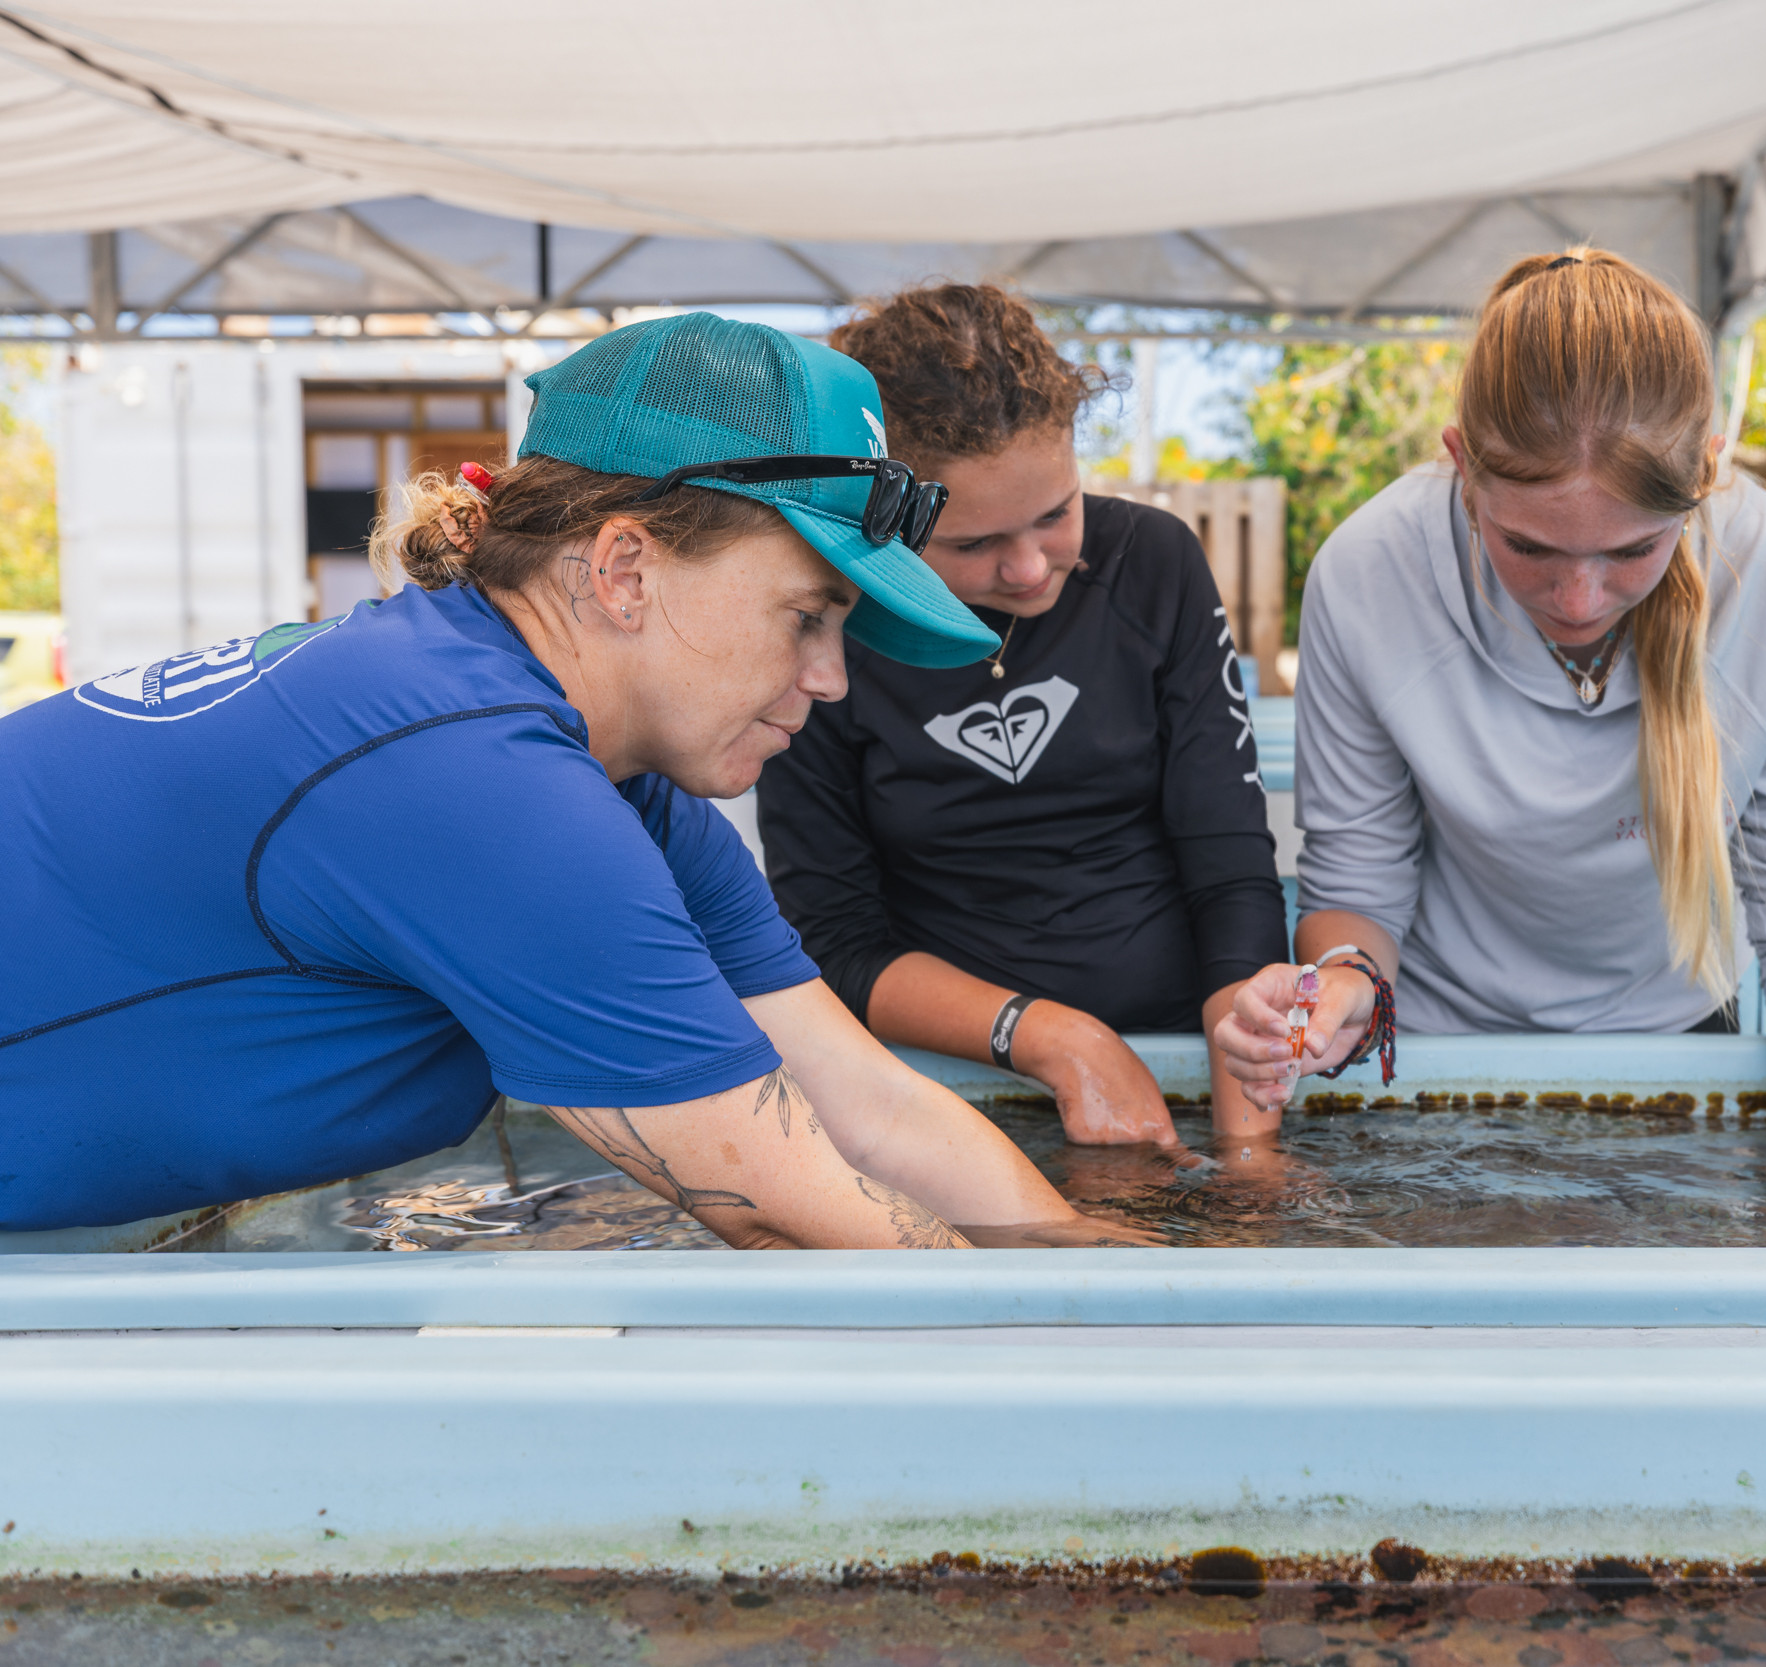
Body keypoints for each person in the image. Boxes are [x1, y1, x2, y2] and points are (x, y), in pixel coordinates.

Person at [0, 311, 1143, 1249]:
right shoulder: (471, 774)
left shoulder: (593, 767)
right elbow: (799, 1210)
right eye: (806, 616)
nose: (833, 678)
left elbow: (870, 1109)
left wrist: (1089, 1252)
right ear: (624, 567)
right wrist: (1102, 1347)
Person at [1211, 250, 1766, 1222]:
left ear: (1704, 476)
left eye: (1633, 550)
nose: (1578, 597)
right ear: (1459, 463)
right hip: (1426, 1052)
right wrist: (1342, 990)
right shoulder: (1368, 569)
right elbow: (1358, 880)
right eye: (1526, 546)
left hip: (1674, 1037)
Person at [759, 283, 1286, 1148]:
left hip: (1184, 1050)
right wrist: (1050, 1037)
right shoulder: (829, 625)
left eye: (1057, 514)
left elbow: (1230, 875)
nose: (1031, 568)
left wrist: (1247, 1154)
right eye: (973, 544)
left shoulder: (1155, 565)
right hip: (941, 1080)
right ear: (887, 516)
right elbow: (834, 944)